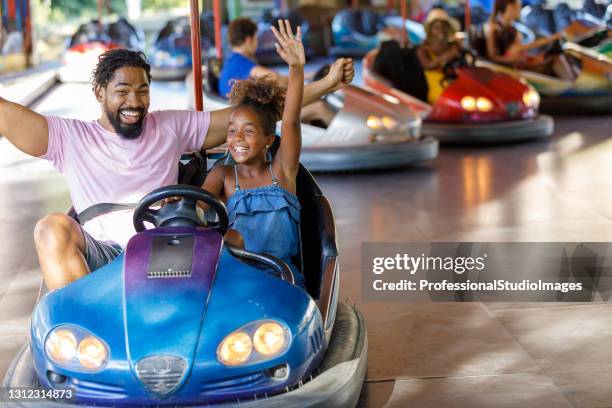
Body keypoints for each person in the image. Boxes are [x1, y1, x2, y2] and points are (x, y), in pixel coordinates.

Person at [0, 44, 353, 291]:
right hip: (103, 255)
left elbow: (255, 117)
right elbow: (7, 114)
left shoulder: (169, 125)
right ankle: (79, 335)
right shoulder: (68, 137)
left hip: (166, 248)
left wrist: (325, 85)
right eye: (122, 91)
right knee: (50, 228)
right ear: (99, 92)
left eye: (142, 91)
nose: (134, 102)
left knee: (225, 245)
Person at [202, 20, 307, 288]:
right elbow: (197, 209)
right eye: (232, 131)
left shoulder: (282, 170)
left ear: (268, 140)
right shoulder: (223, 175)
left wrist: (296, 68)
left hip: (282, 279)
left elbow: (292, 120)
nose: (237, 138)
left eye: (248, 131)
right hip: (238, 277)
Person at [218, 17, 342, 127]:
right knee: (319, 107)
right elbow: (277, 79)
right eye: (256, 38)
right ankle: (350, 140)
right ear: (249, 40)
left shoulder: (232, 61)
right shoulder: (240, 62)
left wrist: (311, 74)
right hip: (252, 115)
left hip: (246, 110)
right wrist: (311, 81)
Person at [485, 0, 579, 80]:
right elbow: (493, 56)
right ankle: (576, 85)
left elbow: (523, 49)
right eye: (518, 6)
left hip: (521, 63)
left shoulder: (512, 28)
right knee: (558, 59)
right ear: (510, 7)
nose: (520, 8)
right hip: (513, 67)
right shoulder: (493, 28)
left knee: (561, 56)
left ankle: (576, 83)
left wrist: (531, 58)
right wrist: (512, 61)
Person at [416, 8, 462, 104]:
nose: (441, 30)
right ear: (430, 30)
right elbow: (429, 66)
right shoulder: (423, 49)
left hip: (456, 87)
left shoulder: (453, 46)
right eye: (436, 27)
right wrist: (447, 55)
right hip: (437, 92)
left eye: (444, 26)